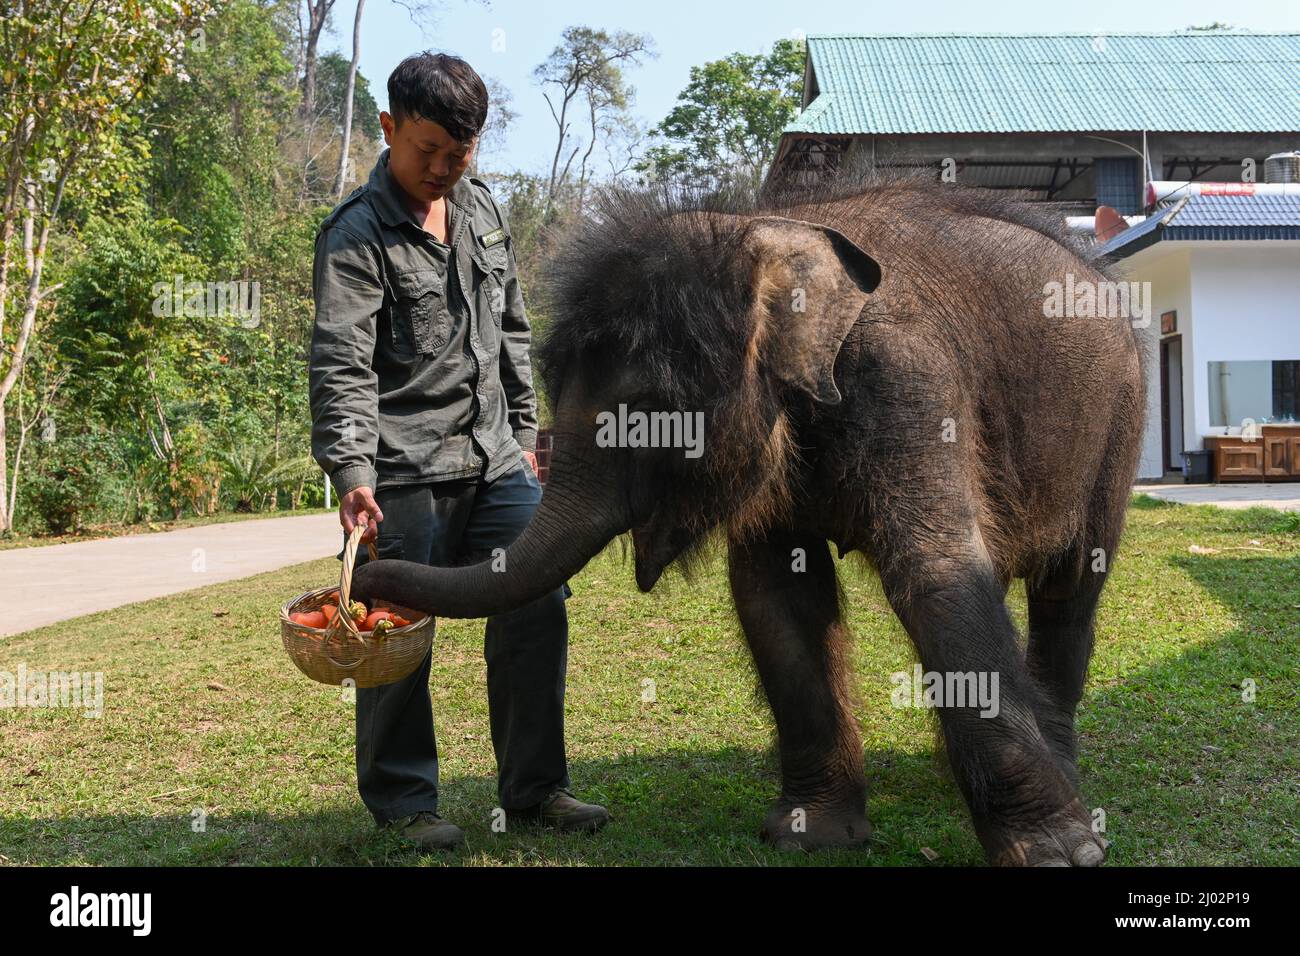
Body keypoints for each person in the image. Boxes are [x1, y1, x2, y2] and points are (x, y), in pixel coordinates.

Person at [308, 51, 609, 850]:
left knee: (537, 602)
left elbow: (510, 330)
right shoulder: (354, 235)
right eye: (427, 150)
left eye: (459, 153)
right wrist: (352, 472)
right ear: (388, 129)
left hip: (496, 459)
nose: (442, 168)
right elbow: (341, 363)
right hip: (401, 468)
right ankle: (407, 803)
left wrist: (526, 437)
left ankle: (538, 787)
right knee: (398, 632)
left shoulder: (481, 208)